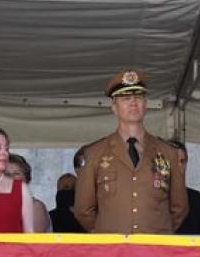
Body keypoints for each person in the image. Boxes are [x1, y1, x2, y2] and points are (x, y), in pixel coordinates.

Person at [74, 69, 188, 234]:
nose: (133, 103)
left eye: (138, 97)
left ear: (145, 104)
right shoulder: (94, 154)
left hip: (155, 249)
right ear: (114, 107)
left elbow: (180, 208)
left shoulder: (168, 152)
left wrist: (159, 232)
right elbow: (83, 210)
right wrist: (106, 232)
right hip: (113, 250)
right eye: (126, 99)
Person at [170, 140, 200, 235]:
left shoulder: (198, 200)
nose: (178, 166)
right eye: (173, 161)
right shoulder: (153, 199)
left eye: (182, 161)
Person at [6, 153, 50, 232]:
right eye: (6, 174)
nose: (11, 178)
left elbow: (32, 241)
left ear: (27, 179)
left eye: (16, 173)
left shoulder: (35, 207)